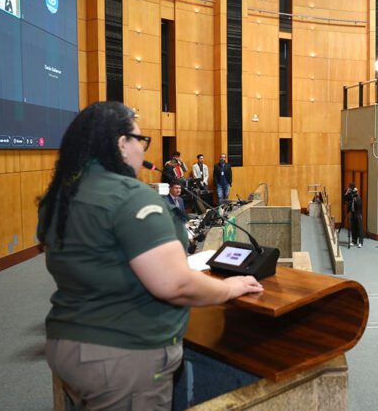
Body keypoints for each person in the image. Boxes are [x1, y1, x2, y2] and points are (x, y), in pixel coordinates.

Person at [38, 102, 263, 410]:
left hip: (68, 345)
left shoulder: (62, 196)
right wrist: (230, 289)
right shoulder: (130, 197)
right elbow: (175, 284)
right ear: (122, 143)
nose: (143, 152)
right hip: (122, 355)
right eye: (140, 141)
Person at [344, 183, 364, 247]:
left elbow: (358, 205)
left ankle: (360, 242)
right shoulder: (350, 197)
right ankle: (354, 241)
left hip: (358, 214)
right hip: (352, 213)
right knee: (353, 228)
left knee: (359, 228)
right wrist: (347, 192)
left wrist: (355, 198)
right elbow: (344, 198)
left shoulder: (358, 198)